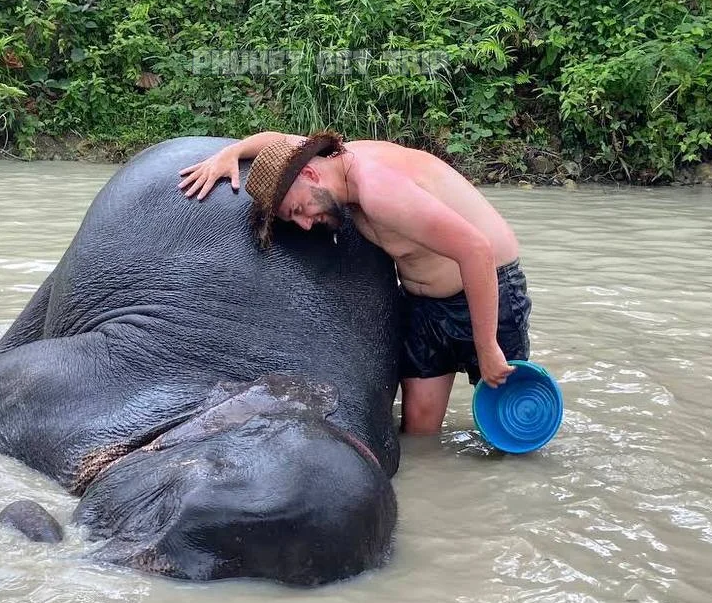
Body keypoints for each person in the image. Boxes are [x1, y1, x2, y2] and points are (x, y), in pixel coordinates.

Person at [178, 130, 533, 436]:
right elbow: (277, 140)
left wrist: (487, 346)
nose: (305, 224)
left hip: (488, 290)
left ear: (310, 175)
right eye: (294, 219)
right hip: (422, 305)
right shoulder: (329, 164)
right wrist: (232, 153)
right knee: (419, 430)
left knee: (511, 422)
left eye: (298, 210)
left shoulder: (379, 190)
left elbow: (476, 252)